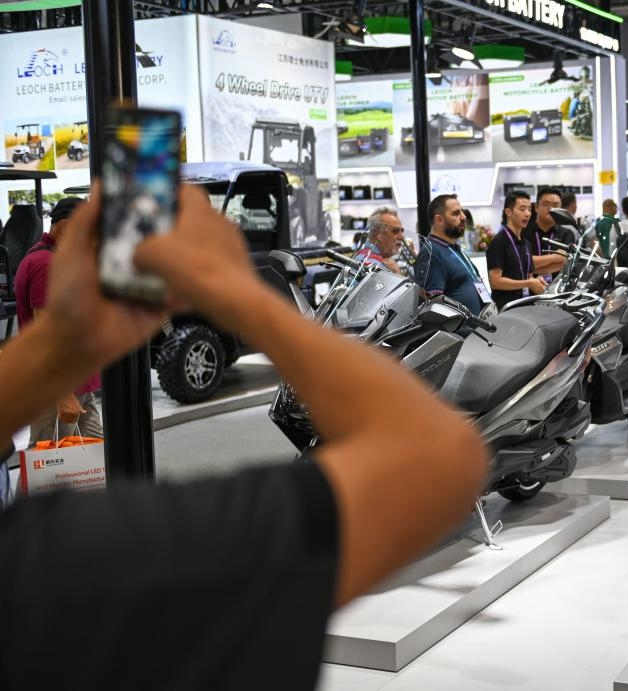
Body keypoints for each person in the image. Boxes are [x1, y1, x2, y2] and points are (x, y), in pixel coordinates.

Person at [0, 184, 488, 688]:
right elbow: (439, 455)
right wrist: (230, 285)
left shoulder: (45, 568)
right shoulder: (84, 571)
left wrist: (62, 345)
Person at [13, 196, 103, 444]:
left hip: (78, 383)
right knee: (48, 466)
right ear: (64, 226)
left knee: (97, 458)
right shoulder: (45, 264)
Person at [415, 194, 490, 317]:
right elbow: (434, 307)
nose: (464, 217)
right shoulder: (432, 253)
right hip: (461, 335)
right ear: (439, 220)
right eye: (456, 213)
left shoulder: (452, 247)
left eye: (462, 212)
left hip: (476, 330)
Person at [486, 191, 556, 310]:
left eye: (529, 209)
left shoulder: (526, 243)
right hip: (505, 309)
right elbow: (495, 281)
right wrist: (528, 283)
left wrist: (536, 281)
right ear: (508, 212)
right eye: (522, 209)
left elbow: (528, 276)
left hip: (525, 306)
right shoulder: (498, 242)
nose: (527, 214)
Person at [523, 187, 572, 281]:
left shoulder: (567, 234)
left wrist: (530, 269)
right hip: (528, 289)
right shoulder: (523, 231)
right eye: (546, 204)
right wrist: (554, 257)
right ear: (536, 207)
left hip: (558, 290)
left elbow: (564, 263)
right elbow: (523, 261)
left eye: (556, 205)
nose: (551, 209)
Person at [352, 206, 404, 275]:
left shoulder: (370, 257)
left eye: (402, 231)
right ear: (378, 235)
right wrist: (397, 273)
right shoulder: (372, 264)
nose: (402, 237)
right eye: (395, 231)